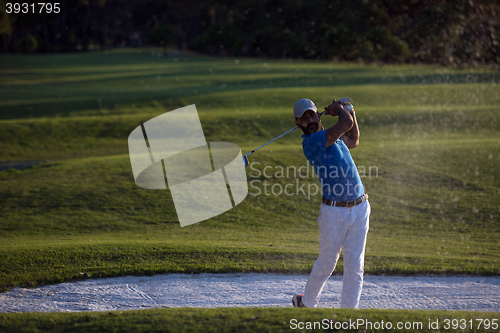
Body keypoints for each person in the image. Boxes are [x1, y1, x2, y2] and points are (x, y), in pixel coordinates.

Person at [291, 98, 370, 309]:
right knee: (327, 263)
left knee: (355, 267)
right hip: (333, 213)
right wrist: (340, 110)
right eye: (304, 117)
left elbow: (353, 139)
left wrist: (351, 112)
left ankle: (348, 315)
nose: (309, 120)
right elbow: (344, 125)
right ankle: (307, 302)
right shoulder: (311, 142)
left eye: (311, 114)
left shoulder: (333, 137)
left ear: (318, 115)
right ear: (298, 123)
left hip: (361, 208)